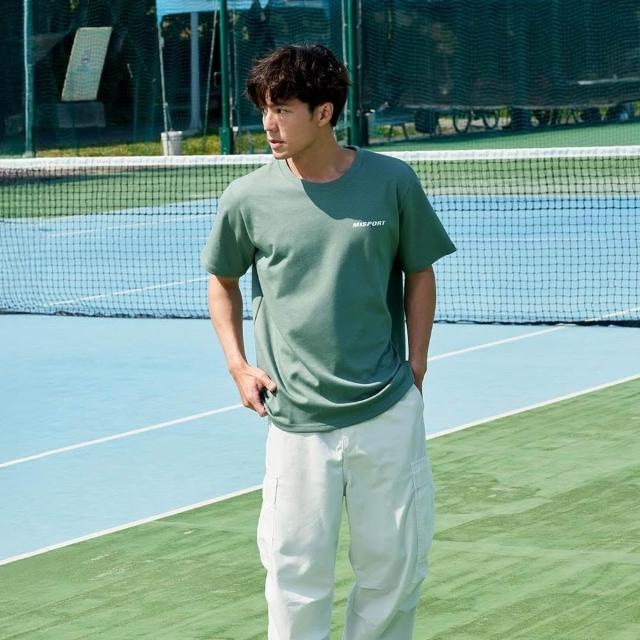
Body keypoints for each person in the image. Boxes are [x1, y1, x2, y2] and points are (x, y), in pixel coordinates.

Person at [201, 44, 456, 640]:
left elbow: (420, 271)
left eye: (283, 110)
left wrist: (417, 367)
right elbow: (222, 281)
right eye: (264, 110)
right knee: (293, 576)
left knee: (394, 570)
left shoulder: (393, 181)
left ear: (324, 112)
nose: (269, 124)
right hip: (295, 421)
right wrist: (238, 365)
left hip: (386, 411)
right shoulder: (246, 197)